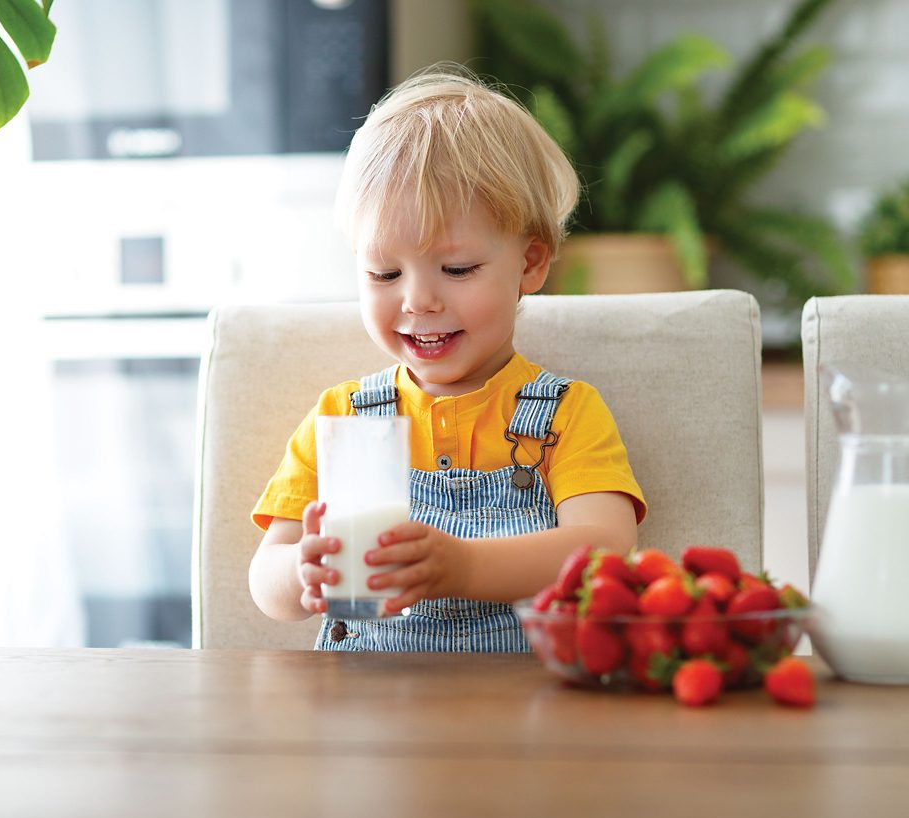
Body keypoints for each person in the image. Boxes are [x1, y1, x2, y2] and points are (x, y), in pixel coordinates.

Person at [248, 65, 645, 652]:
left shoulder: (566, 414)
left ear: (531, 264)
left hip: (521, 717)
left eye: (456, 270)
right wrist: (302, 572)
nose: (418, 300)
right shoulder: (344, 418)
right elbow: (265, 579)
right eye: (384, 272)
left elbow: (605, 548)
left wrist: (462, 569)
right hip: (369, 719)